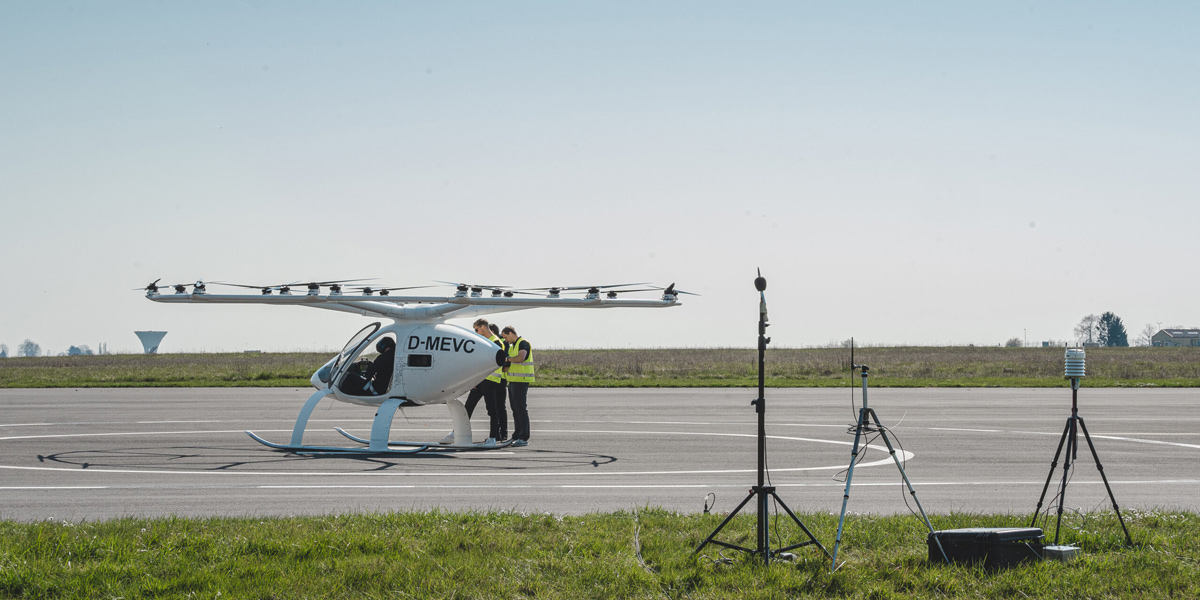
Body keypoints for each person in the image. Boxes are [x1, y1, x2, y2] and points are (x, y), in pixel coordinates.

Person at [442, 319, 508, 445]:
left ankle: (493, 437)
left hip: (491, 380)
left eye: (476, 329)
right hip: (480, 380)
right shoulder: (484, 342)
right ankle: (455, 433)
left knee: (491, 409)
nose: (476, 332)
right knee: (468, 407)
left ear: (483, 327)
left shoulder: (497, 343)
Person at [501, 326, 534, 447]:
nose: (506, 340)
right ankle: (517, 434)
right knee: (515, 409)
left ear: (510, 333)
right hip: (513, 381)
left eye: (505, 337)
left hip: (521, 381)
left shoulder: (523, 343)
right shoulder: (512, 346)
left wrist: (508, 359)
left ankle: (524, 437)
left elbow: (521, 358)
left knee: (521, 409)